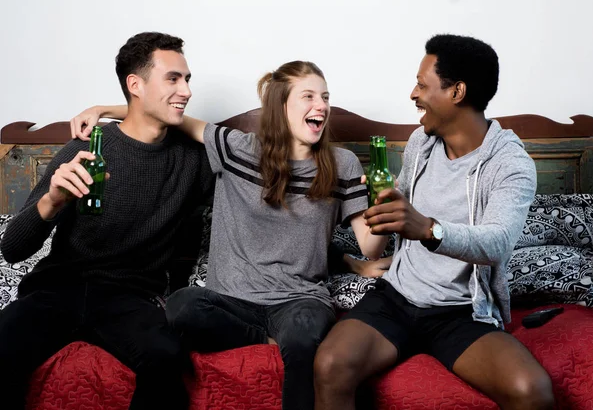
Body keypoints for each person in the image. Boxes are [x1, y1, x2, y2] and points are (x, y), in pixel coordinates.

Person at [71, 61, 389, 410]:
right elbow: (168, 114)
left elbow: (370, 248)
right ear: (281, 106)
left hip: (299, 299)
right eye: (309, 96)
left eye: (325, 97)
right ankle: (268, 340)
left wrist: (382, 212)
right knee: (181, 306)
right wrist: (104, 109)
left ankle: (284, 340)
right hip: (231, 300)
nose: (322, 106)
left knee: (303, 335)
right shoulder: (237, 149)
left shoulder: (342, 165)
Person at [313, 34, 554, 410]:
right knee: (330, 364)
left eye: (423, 85)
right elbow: (402, 210)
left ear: (457, 91)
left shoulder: (510, 163)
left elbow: (498, 242)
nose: (413, 93)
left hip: (462, 313)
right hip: (397, 298)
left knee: (531, 390)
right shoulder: (420, 144)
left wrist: (427, 228)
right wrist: (387, 205)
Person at [0, 31, 214, 409]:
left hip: (130, 299)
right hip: (57, 289)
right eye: (173, 78)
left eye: (187, 79)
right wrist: (51, 201)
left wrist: (115, 106)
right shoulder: (86, 147)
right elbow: (13, 249)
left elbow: (255, 160)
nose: (187, 90)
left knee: (167, 359)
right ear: (135, 84)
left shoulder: (193, 160)